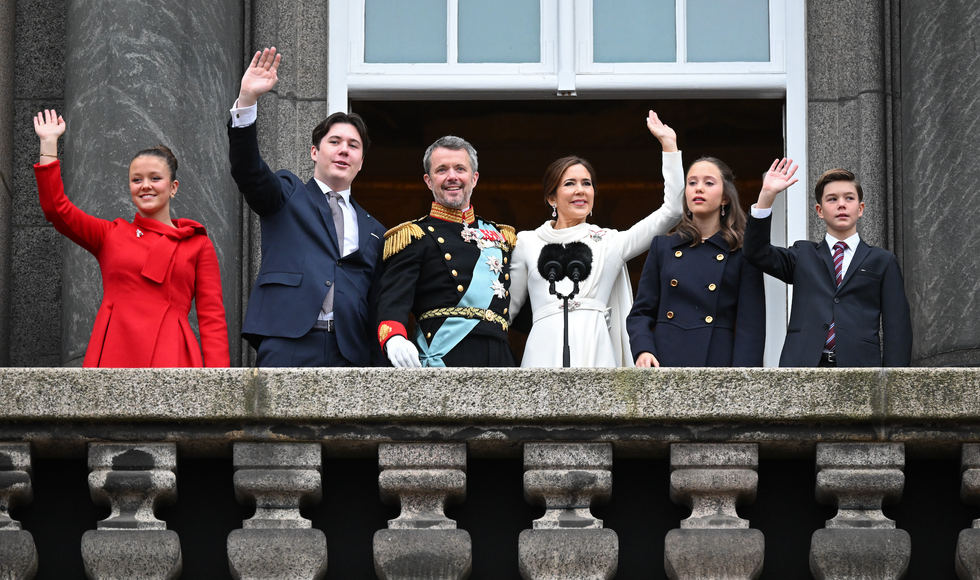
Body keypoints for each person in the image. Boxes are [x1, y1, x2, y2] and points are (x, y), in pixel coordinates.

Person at [32, 109, 229, 367]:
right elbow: (57, 209)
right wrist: (48, 144)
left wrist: (220, 385)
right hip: (115, 350)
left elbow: (212, 318)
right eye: (136, 180)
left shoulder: (197, 243)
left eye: (155, 178)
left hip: (173, 355)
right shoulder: (111, 234)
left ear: (173, 187)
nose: (145, 185)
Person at [229, 47, 387, 367]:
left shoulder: (376, 231)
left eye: (353, 146)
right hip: (289, 343)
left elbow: (377, 303)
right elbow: (249, 171)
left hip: (351, 354)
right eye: (334, 142)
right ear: (314, 152)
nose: (344, 150)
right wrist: (247, 100)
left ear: (361, 162)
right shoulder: (288, 194)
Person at [507, 111, 684, 367]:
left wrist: (669, 146)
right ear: (552, 198)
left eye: (586, 183)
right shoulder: (527, 242)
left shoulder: (610, 242)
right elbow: (507, 311)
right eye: (569, 183)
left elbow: (673, 211)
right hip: (543, 349)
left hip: (596, 348)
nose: (580, 190)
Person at [743, 161, 912, 367]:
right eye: (832, 199)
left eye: (849, 198)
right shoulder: (803, 254)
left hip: (860, 369)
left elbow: (898, 327)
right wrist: (766, 196)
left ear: (860, 209)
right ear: (820, 210)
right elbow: (756, 252)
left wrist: (894, 382)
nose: (841, 204)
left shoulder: (882, 261)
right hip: (803, 367)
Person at [376, 136, 517, 367]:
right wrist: (394, 338)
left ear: (474, 178)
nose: (452, 176)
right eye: (441, 170)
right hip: (447, 356)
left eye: (460, 169)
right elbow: (393, 299)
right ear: (429, 181)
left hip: (500, 357)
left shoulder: (501, 236)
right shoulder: (414, 236)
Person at [626, 157, 766, 367]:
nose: (698, 188)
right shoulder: (662, 247)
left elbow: (751, 329)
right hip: (663, 361)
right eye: (692, 183)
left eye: (709, 183)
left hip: (717, 362)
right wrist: (643, 349)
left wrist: (743, 382)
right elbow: (640, 313)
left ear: (725, 198)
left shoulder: (741, 253)